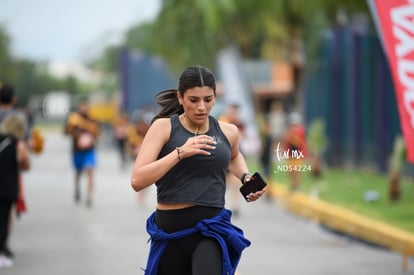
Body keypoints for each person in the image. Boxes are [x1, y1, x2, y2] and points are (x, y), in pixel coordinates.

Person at [131, 65, 265, 275]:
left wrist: (245, 176)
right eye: (194, 100)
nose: (201, 107)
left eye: (208, 99)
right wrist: (180, 153)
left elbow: (234, 155)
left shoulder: (228, 131)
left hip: (211, 230)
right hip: (171, 233)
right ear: (180, 97)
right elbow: (137, 180)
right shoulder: (163, 128)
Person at [0, 113, 30, 268]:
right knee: (3, 220)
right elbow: (25, 165)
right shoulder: (18, 144)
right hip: (7, 187)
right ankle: (1, 251)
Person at [65, 98, 100, 207]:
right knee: (78, 172)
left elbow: (97, 133)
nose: (85, 108)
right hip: (77, 150)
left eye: (86, 106)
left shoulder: (93, 119)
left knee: (90, 170)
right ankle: (77, 189)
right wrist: (78, 135)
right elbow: (66, 132)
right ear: (80, 107)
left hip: (89, 150)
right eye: (82, 106)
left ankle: (89, 196)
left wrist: (91, 137)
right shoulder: (74, 119)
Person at [219, 103, 246, 217]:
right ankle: (220, 204)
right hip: (224, 154)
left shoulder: (240, 123)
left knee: (236, 182)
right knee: (222, 182)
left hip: (235, 152)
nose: (233, 113)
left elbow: (241, 137)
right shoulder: (222, 121)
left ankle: (235, 206)